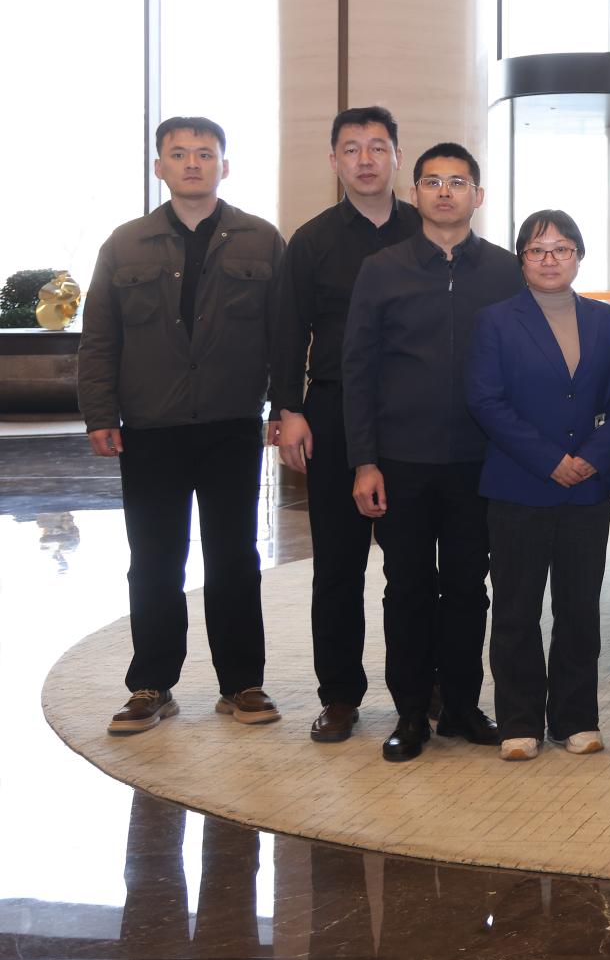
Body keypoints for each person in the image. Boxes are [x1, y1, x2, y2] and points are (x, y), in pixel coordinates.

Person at [80, 117, 290, 735]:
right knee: (153, 559)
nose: (192, 163)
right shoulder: (125, 243)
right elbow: (100, 337)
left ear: (224, 166)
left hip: (231, 424)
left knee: (234, 558)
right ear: (159, 168)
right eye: (178, 154)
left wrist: (284, 407)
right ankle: (151, 684)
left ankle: (242, 683)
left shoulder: (260, 239)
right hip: (151, 427)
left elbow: (283, 336)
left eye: (204, 153)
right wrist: (100, 413)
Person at [342, 142, 523, 762]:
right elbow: (357, 369)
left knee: (470, 588)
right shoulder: (382, 269)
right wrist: (365, 460)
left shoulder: (505, 271)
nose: (445, 192)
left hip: (483, 460)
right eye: (433, 181)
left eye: (458, 182)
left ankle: (465, 706)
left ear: (478, 195)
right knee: (408, 588)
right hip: (402, 460)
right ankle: (412, 711)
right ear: (414, 193)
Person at [271, 105, 421, 744]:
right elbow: (288, 331)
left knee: (414, 567)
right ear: (334, 161)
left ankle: (422, 688)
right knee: (337, 564)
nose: (366, 159)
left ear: (396, 158)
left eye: (378, 147)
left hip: (416, 416)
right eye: (352, 148)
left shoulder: (426, 229)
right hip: (332, 413)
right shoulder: (311, 241)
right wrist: (288, 411)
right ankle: (338, 695)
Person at [468, 209, 610, 762]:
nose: (550, 259)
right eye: (537, 250)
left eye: (562, 249)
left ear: (578, 256)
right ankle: (519, 721)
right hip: (519, 485)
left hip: (587, 487)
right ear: (522, 260)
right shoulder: (495, 321)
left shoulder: (606, 321)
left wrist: (589, 459)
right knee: (516, 609)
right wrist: (550, 460)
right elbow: (486, 401)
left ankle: (576, 717)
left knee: (579, 609)